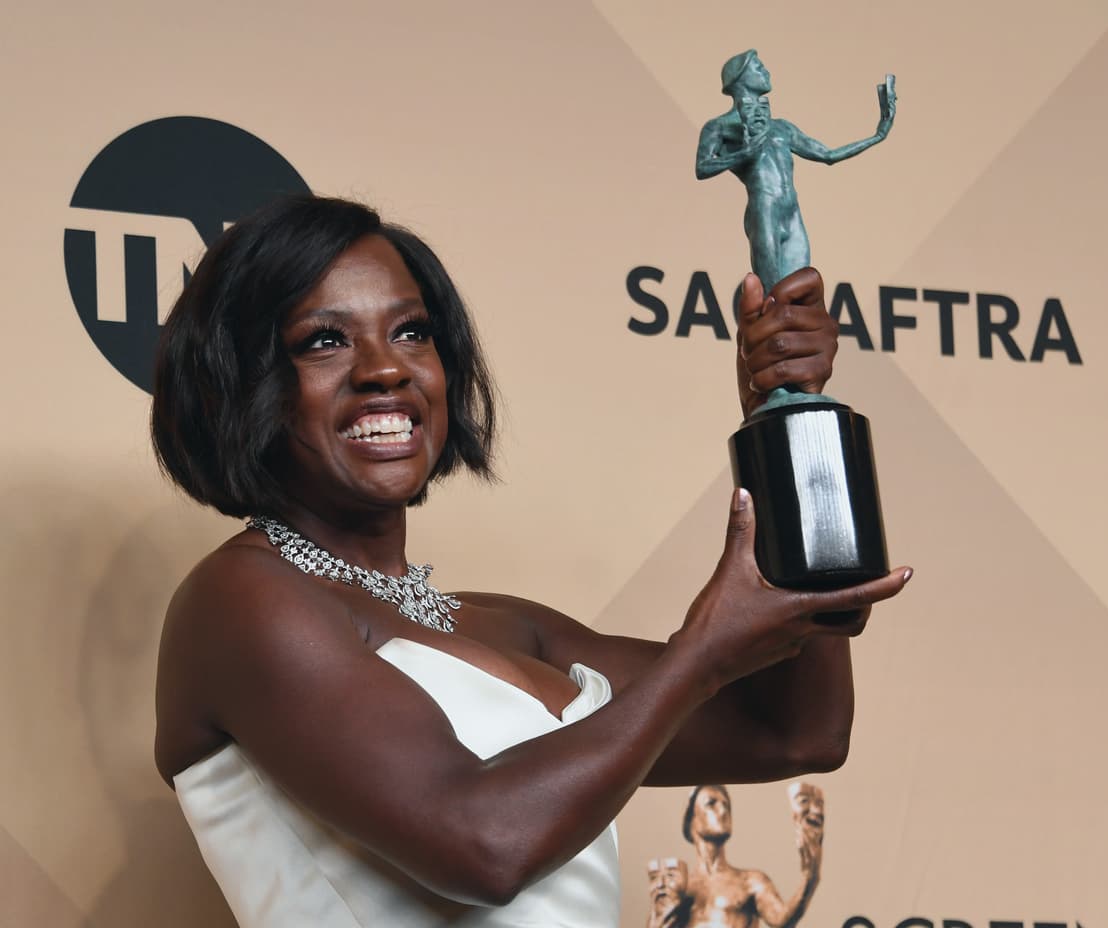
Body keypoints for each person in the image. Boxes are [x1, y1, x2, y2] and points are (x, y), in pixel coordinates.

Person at [151, 194, 912, 926]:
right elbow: (484, 848)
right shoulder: (239, 599)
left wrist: (786, 415)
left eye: (412, 332)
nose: (386, 369)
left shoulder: (507, 628)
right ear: (238, 383)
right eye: (324, 340)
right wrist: (699, 654)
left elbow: (793, 731)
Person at [695, 50, 896, 290]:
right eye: (759, 67)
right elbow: (702, 167)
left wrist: (877, 135)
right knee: (773, 298)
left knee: (798, 297)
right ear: (740, 77)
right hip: (765, 211)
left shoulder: (782, 128)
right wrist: (743, 154)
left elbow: (828, 155)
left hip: (791, 212)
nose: (766, 72)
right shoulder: (719, 127)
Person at [678, 785, 820, 928]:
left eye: (726, 805)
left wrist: (810, 877)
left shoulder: (750, 882)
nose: (723, 811)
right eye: (711, 803)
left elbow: (782, 920)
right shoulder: (681, 888)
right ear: (691, 820)